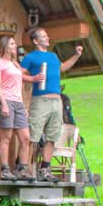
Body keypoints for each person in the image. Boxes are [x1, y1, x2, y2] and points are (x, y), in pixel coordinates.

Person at [21, 27, 84, 182]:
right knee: (33, 135)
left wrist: (76, 55)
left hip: (57, 101)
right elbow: (20, 74)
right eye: (43, 36)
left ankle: (45, 170)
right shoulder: (30, 57)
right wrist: (33, 79)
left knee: (52, 135)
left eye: (47, 35)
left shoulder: (53, 56)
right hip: (40, 100)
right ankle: (25, 169)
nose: (47, 38)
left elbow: (62, 67)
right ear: (36, 41)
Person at [0, 35, 39, 181]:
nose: (15, 46)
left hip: (18, 103)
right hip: (6, 101)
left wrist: (23, 105)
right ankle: (5, 170)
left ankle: (21, 170)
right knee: (6, 137)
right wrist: (3, 103)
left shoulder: (16, 65)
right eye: (12, 44)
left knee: (25, 138)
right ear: (6, 46)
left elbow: (19, 83)